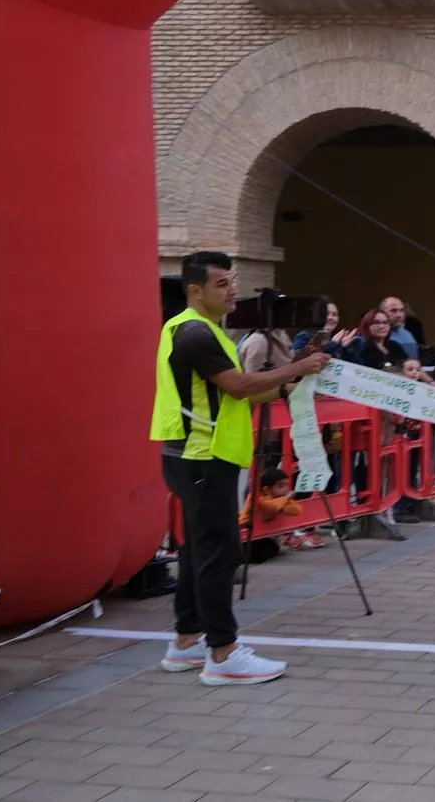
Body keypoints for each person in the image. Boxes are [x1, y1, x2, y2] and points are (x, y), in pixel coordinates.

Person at [152, 251, 330, 686]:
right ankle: (224, 653)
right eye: (221, 284)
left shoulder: (193, 328)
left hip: (193, 455)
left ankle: (186, 642)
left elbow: (238, 397)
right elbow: (239, 385)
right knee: (219, 554)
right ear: (194, 290)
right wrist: (299, 366)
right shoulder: (196, 332)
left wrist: (290, 384)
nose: (233, 290)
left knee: (198, 551)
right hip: (203, 456)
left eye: (232, 281)